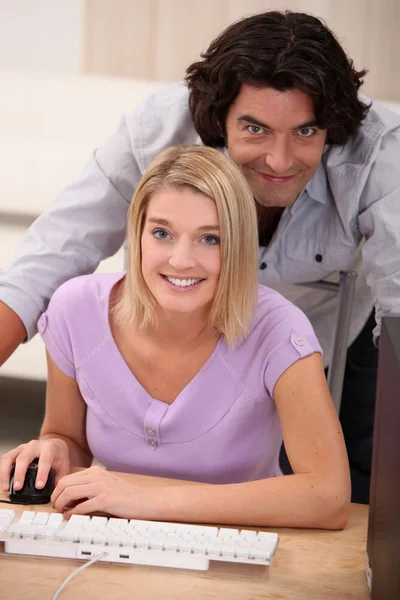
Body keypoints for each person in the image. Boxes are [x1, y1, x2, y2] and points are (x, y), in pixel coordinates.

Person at [1, 11, 399, 504]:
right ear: (216, 121)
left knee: (366, 492)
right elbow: (50, 255)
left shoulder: (379, 154)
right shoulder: (156, 131)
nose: (279, 160)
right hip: (176, 330)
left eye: (304, 133)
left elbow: (399, 302)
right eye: (254, 129)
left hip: (325, 339)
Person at [0, 145, 350, 528]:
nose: (181, 260)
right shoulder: (76, 310)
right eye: (162, 233)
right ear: (138, 233)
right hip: (114, 544)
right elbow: (70, 439)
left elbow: (328, 497)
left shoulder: (280, 331)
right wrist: (54, 450)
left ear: (239, 245)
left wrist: (149, 502)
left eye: (210, 239)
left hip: (245, 550)